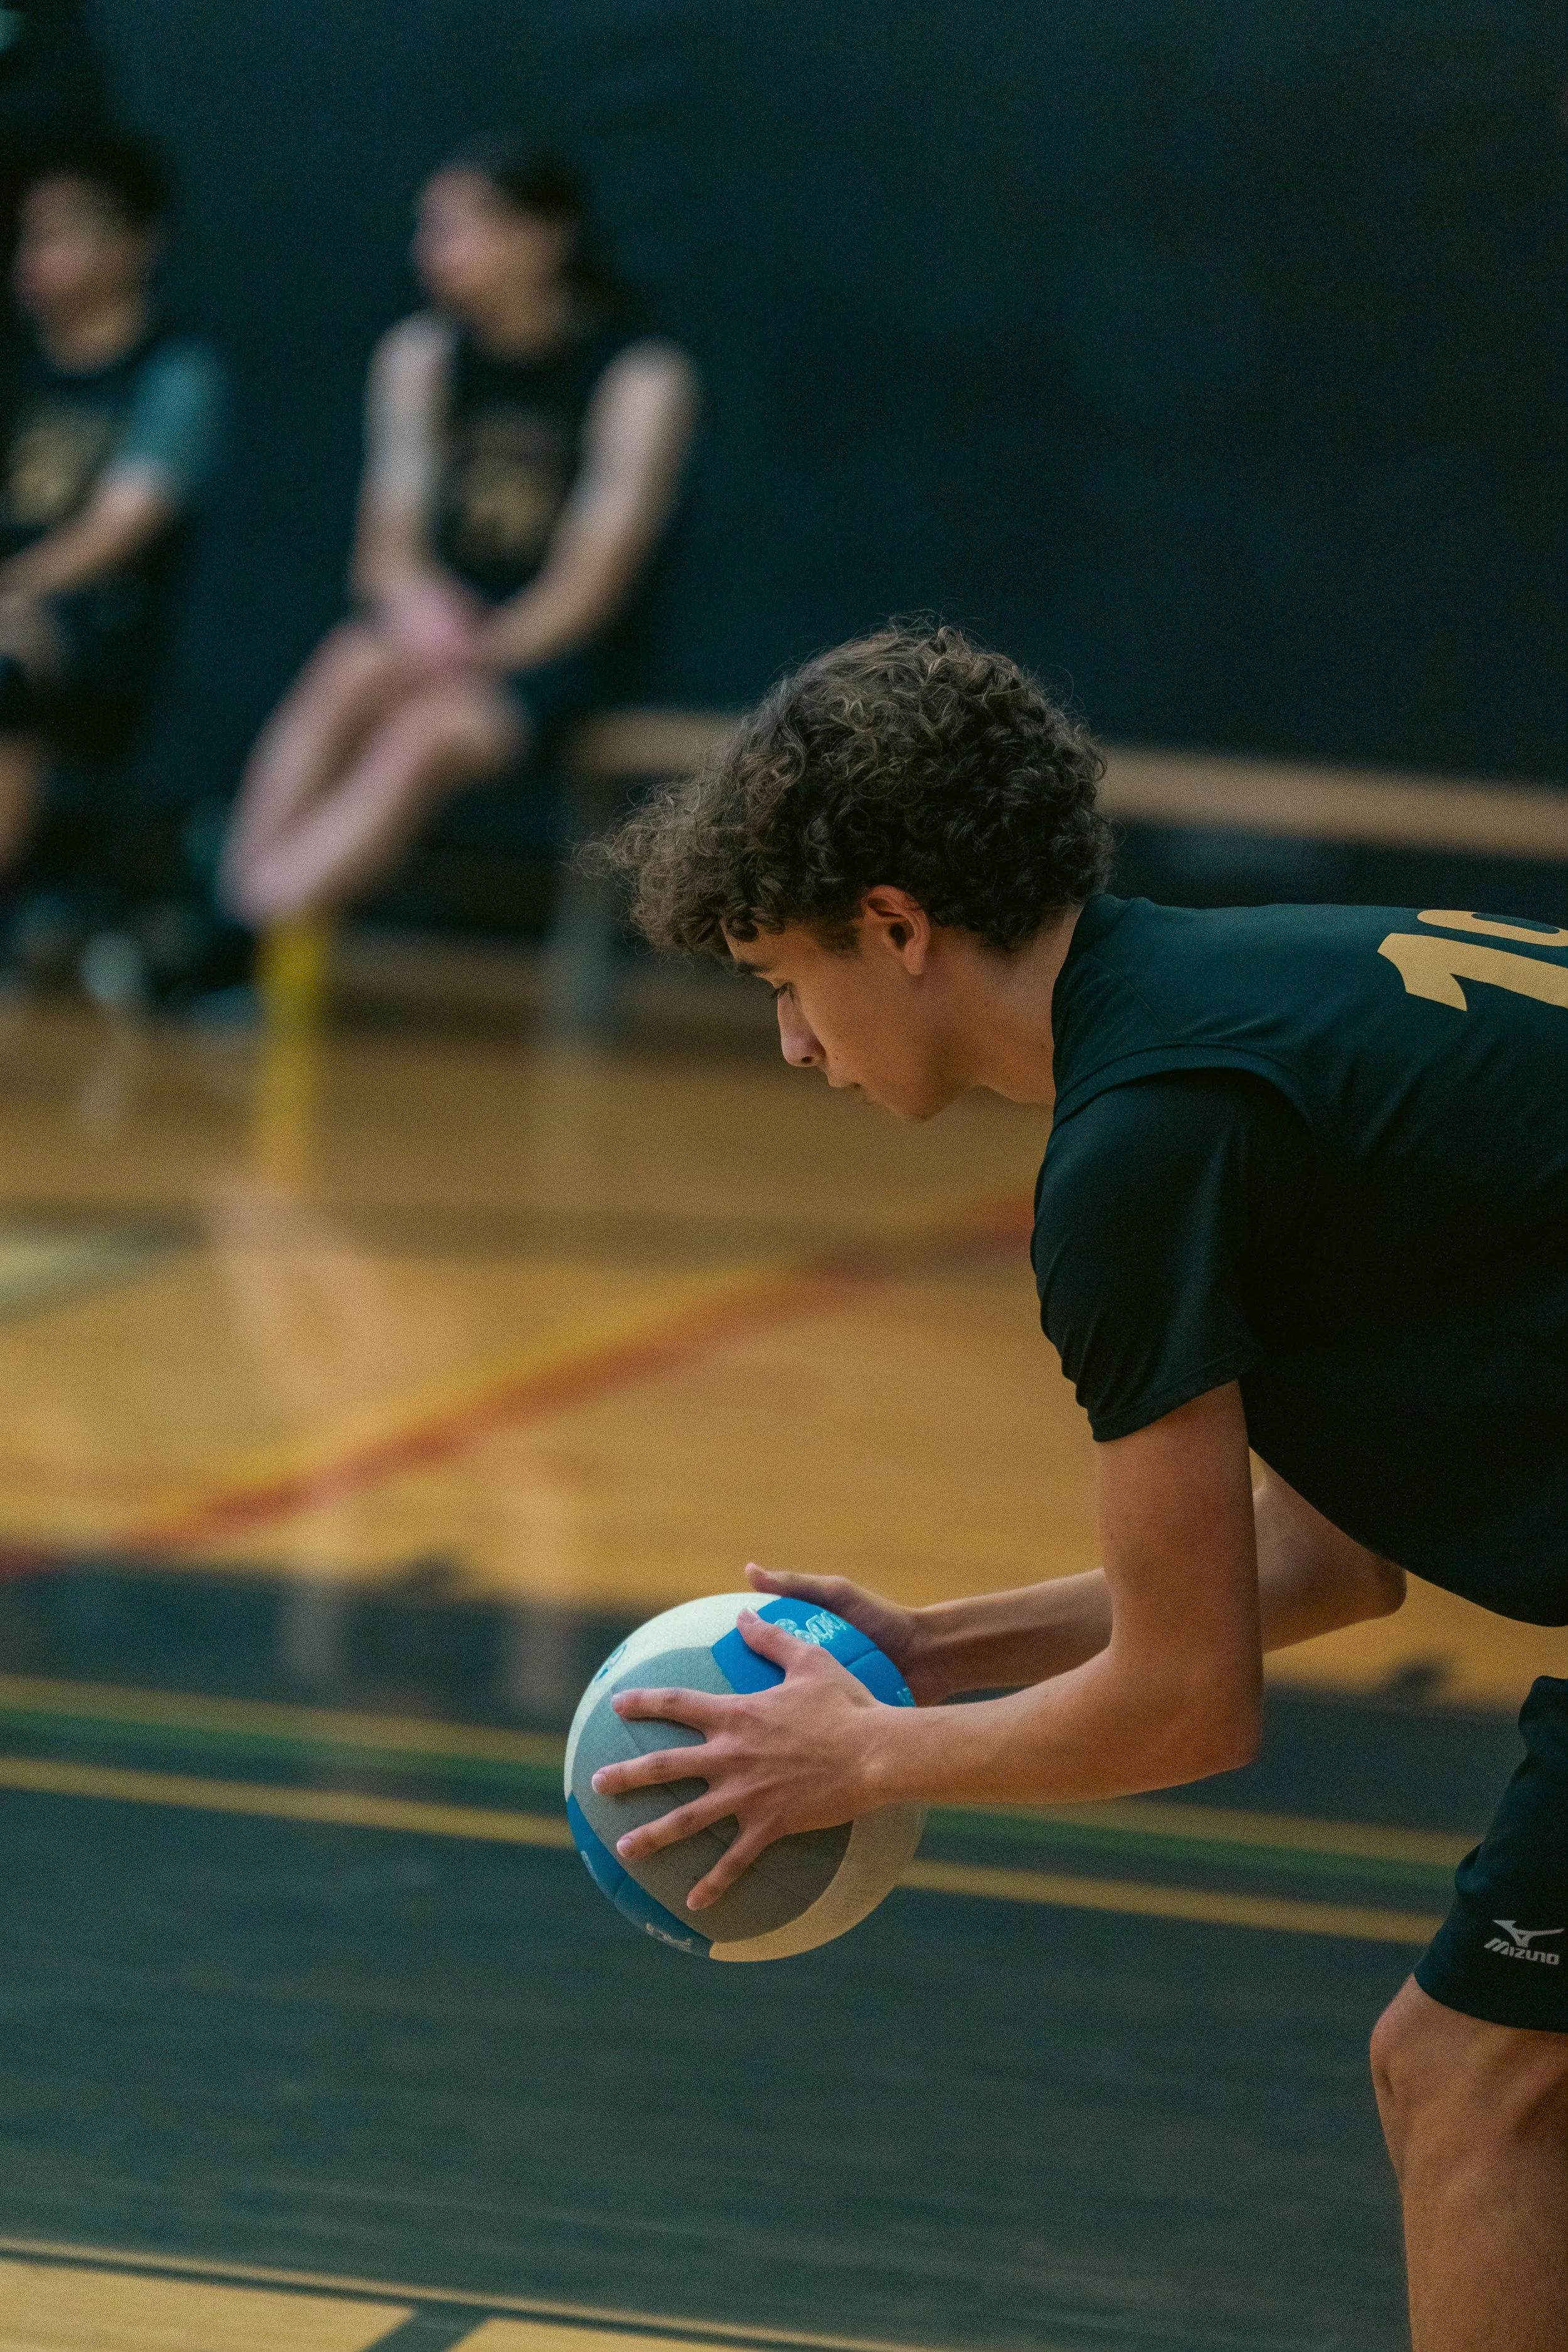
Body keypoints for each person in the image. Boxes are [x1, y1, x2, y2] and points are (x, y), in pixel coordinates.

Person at [590, 625, 1568, 2352]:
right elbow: (1340, 1552)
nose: (795, 1049)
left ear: (893, 925)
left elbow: (1187, 1705)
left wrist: (865, 1751)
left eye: (781, 983)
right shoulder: (1243, 993)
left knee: (1469, 2077)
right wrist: (939, 1645)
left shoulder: (1142, 1139)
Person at [220, 145, 698, 936]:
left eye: (457, 228)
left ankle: (237, 929)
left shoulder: (639, 376)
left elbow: (594, 580)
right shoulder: (421, 356)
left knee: (423, 736)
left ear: (544, 239)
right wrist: (415, 606)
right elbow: (384, 549)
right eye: (427, 229)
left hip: (555, 657)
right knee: (346, 666)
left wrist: (486, 649)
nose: (430, 251)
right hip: (440, 633)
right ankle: (241, 902)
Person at [0, 134, 227, 903]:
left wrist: (13, 590)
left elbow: (122, 524)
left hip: (97, 624)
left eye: (66, 231)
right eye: (32, 232)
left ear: (136, 244)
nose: (39, 253)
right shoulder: (17, 366)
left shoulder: (173, 372)